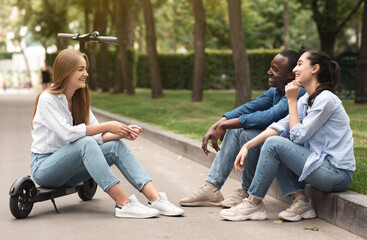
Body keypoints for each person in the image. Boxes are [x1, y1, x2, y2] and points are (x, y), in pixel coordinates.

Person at [31, 49, 184, 219]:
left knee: (114, 146)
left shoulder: (78, 100)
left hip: (72, 171)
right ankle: (124, 204)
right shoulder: (47, 99)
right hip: (45, 169)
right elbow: (68, 134)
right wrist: (109, 126)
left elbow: (97, 137)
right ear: (66, 71)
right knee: (85, 143)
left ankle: (155, 198)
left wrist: (121, 133)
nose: (86, 74)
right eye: (80, 69)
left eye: (86, 69)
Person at [220, 50, 355, 222]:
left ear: (315, 68)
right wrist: (247, 145)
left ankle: (254, 204)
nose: (295, 70)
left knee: (274, 144)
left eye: (299, 64)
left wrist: (291, 101)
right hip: (318, 166)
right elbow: (279, 127)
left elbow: (298, 136)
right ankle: (302, 203)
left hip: (336, 175)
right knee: (271, 142)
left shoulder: (326, 100)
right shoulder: (306, 98)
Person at [180, 50, 306, 207]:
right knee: (237, 127)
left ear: (290, 75)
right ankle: (211, 188)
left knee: (246, 132)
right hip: (274, 147)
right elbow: (251, 107)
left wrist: (227, 124)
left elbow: (269, 116)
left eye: (275, 69)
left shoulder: (299, 92)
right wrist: (220, 122)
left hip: (295, 158)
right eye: (270, 67)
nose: (269, 72)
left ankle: (246, 191)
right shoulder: (276, 91)